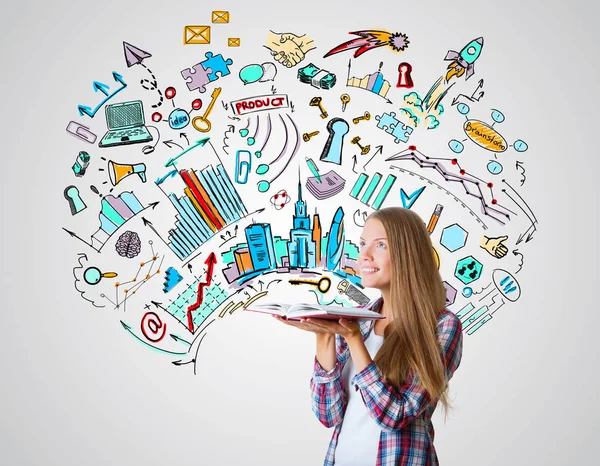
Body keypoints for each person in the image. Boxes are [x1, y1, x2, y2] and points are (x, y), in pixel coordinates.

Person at [274, 207, 463, 465]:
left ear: (408, 254)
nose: (364, 255)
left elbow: (395, 415)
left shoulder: (442, 326)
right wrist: (324, 336)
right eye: (363, 244)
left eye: (381, 245)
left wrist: (353, 340)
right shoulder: (357, 320)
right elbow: (328, 415)